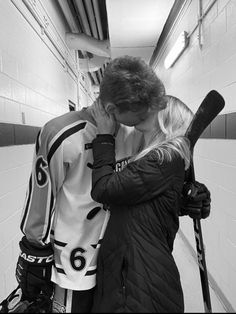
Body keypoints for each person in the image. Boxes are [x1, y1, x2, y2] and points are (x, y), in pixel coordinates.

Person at [0, 56, 210, 313]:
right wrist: (33, 250)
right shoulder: (60, 133)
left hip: (118, 267)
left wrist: (185, 195)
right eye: (144, 110)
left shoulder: (136, 132)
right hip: (75, 267)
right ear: (112, 109)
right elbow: (41, 201)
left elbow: (149, 185)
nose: (152, 114)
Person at [89, 95, 206, 313]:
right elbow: (152, 201)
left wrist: (104, 135)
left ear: (164, 119)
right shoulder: (162, 158)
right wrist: (188, 197)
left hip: (138, 279)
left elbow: (104, 189)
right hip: (136, 269)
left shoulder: (162, 159)